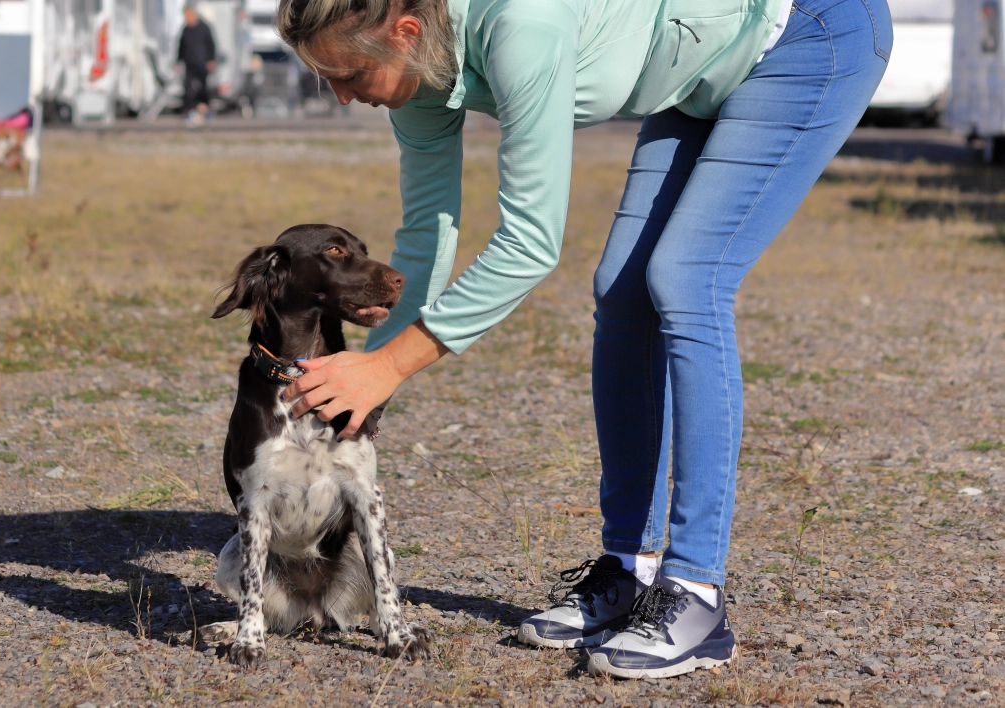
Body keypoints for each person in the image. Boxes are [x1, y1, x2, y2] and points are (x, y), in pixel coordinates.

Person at [276, 0, 889, 679]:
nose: (339, 94)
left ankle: (697, 592)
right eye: (322, 77)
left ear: (406, 32)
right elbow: (424, 244)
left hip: (807, 34)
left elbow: (530, 244)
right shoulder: (413, 73)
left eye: (348, 72)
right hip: (700, 70)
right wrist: (361, 385)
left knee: (687, 279)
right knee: (622, 293)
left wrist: (390, 364)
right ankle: (630, 567)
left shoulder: (519, 25)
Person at [178, 6, 217, 125]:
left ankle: (205, 111)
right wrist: (178, 60)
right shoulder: (185, 29)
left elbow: (211, 45)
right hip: (189, 63)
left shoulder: (204, 28)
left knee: (203, 88)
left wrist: (211, 60)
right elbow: (181, 46)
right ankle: (188, 112)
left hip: (202, 63)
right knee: (188, 88)